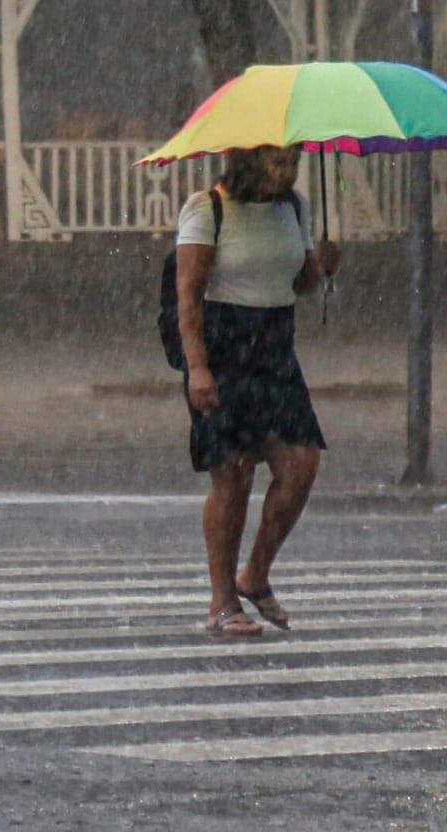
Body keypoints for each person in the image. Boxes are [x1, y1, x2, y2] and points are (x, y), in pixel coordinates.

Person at [175, 145, 340, 638]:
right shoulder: (209, 208)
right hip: (224, 346)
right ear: (246, 162)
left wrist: (323, 266)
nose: (286, 172)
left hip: (275, 347)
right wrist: (198, 368)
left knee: (301, 464)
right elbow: (188, 294)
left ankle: (256, 574)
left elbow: (302, 283)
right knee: (233, 475)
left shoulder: (294, 208)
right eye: (275, 163)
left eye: (291, 163)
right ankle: (223, 601)